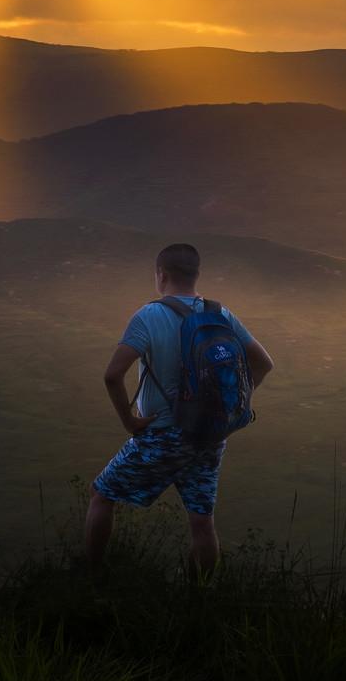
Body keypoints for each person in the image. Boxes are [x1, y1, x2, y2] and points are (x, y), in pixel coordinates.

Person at [84, 243, 274, 584]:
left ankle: (91, 579)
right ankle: (199, 598)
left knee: (102, 495)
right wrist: (234, 407)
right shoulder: (220, 314)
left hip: (164, 434)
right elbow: (264, 364)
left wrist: (129, 422)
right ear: (196, 275)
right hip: (210, 434)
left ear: (162, 275)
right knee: (202, 522)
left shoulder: (148, 315)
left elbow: (112, 375)